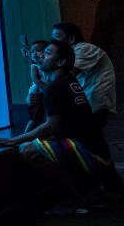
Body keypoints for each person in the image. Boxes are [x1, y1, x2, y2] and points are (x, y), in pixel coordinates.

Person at [0, 40, 114, 216]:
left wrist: (14, 140)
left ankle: (74, 196)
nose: (41, 55)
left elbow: (50, 126)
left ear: (60, 62)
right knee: (42, 143)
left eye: (47, 53)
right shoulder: (67, 81)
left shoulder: (56, 87)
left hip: (91, 154)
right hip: (98, 152)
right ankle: (91, 189)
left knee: (28, 150)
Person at [51, 22, 122, 195]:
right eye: (52, 37)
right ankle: (112, 186)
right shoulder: (73, 52)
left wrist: (38, 68)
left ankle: (103, 187)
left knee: (92, 145)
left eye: (57, 37)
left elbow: (67, 74)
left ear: (72, 38)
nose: (52, 41)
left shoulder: (83, 49)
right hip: (88, 105)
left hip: (95, 104)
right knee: (95, 144)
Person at [23, 39, 49, 133]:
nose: (34, 53)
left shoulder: (49, 64)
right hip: (39, 92)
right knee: (35, 117)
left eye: (38, 50)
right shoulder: (35, 66)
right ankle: (25, 136)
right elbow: (36, 80)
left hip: (47, 93)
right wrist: (47, 89)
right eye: (33, 51)